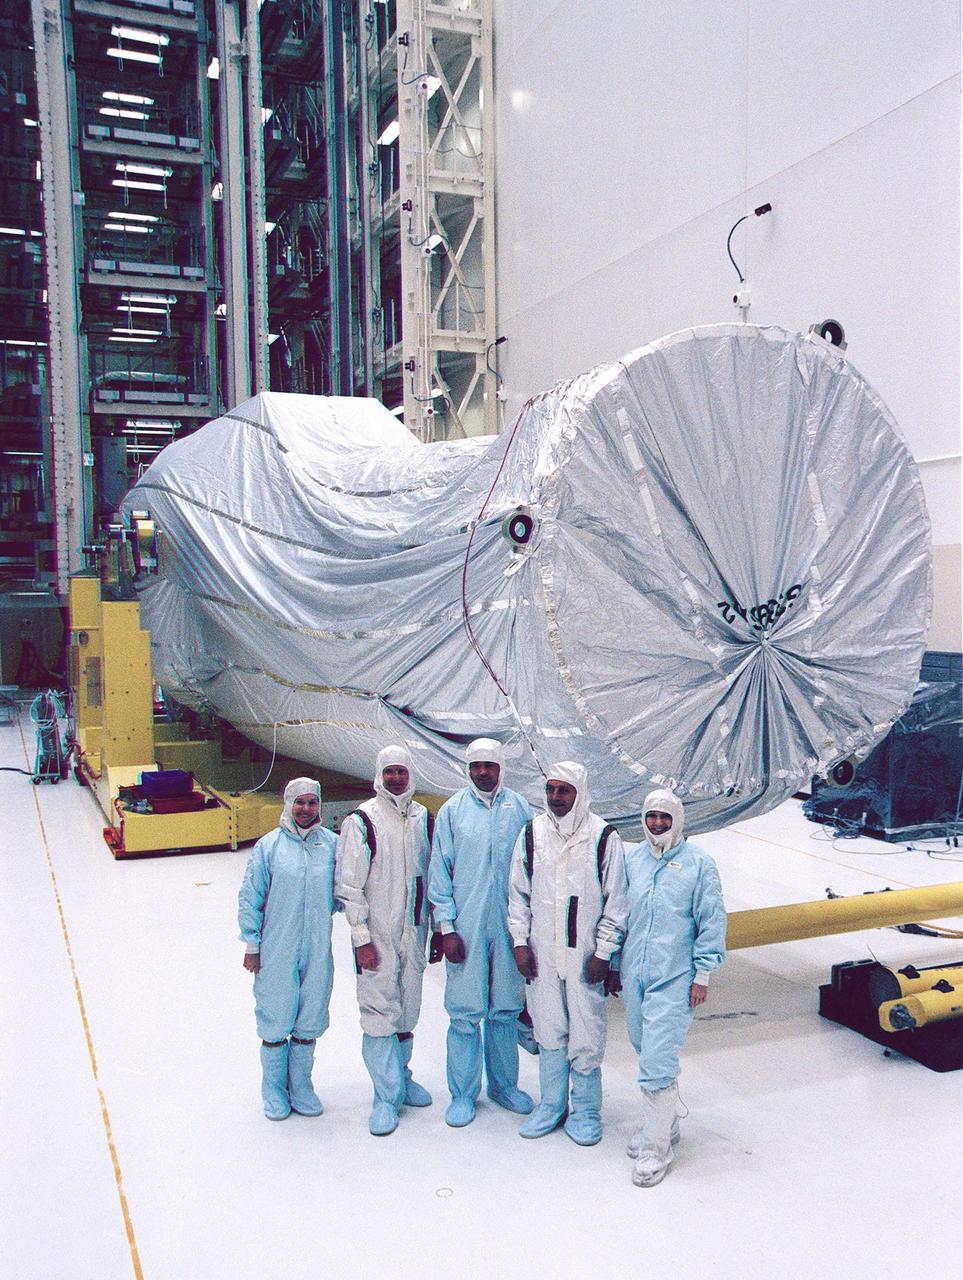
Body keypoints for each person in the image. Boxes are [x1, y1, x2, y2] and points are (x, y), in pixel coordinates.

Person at [507, 761, 628, 1145]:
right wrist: (520, 943)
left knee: (586, 1033)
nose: (556, 797)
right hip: (542, 956)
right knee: (547, 1028)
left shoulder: (603, 837)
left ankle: (587, 1111)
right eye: (551, 790)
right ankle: (551, 1105)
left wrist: (604, 953)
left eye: (564, 790)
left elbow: (617, 902)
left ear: (580, 792)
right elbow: (518, 895)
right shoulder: (532, 834)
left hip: (584, 958)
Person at [612, 788, 726, 1187]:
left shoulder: (699, 864)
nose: (657, 823)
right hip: (635, 973)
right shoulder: (633, 861)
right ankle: (666, 1122)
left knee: (657, 1058)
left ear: (678, 820)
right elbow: (620, 915)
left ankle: (655, 1148)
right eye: (651, 817)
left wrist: (703, 974)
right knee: (643, 1046)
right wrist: (614, 964)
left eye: (665, 817)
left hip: (675, 976)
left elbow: (711, 920)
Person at [429, 738, 534, 1127]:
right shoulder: (453, 812)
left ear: (501, 767)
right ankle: (462, 1094)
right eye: (476, 766)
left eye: (489, 765)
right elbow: (440, 872)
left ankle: (504, 1086)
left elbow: (531, 868)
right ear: (467, 769)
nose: (483, 772)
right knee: (464, 1011)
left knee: (505, 1009)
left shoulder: (519, 808)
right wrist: (446, 928)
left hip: (509, 926)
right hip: (467, 927)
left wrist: (526, 931)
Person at [336, 744, 433, 1136]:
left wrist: (433, 928)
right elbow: (350, 886)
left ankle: (402, 1078)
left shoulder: (422, 817)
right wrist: (361, 937)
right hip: (377, 934)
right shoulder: (362, 821)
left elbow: (430, 877)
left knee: (407, 1008)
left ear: (410, 774)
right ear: (379, 774)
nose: (395, 778)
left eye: (401, 771)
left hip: (414, 931)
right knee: (378, 1012)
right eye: (389, 771)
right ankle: (385, 1096)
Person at [237, 777, 337, 1121]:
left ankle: (302, 1087)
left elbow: (346, 890)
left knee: (311, 1013)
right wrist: (252, 944)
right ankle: (274, 1090)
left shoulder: (331, 845)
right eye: (299, 802)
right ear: (288, 803)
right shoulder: (269, 847)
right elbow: (251, 897)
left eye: (312, 802)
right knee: (276, 1015)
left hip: (317, 947)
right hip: (277, 946)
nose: (306, 809)